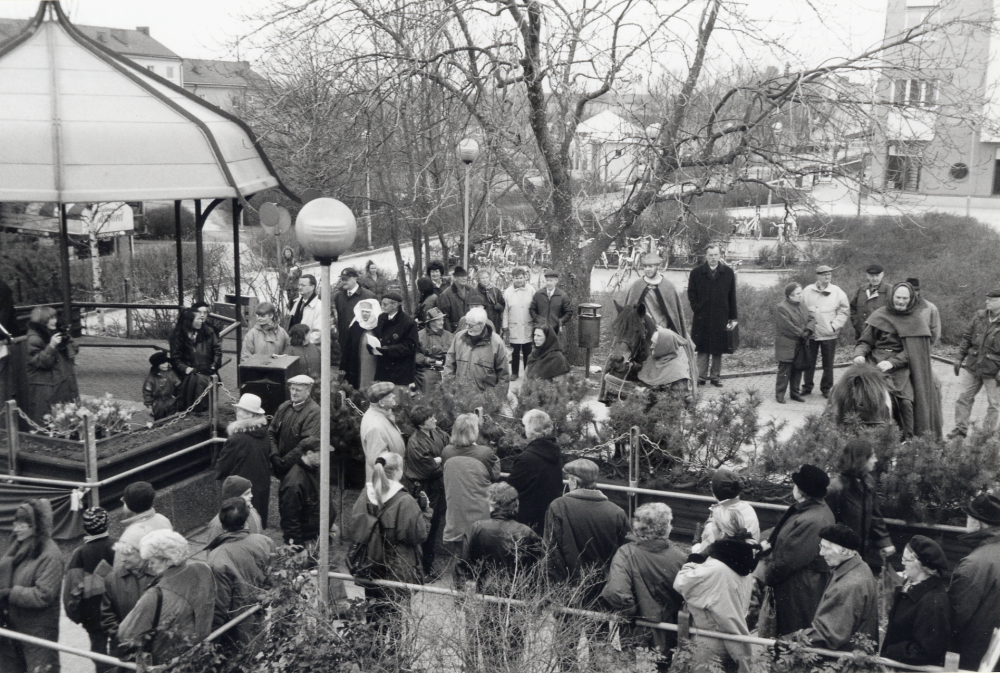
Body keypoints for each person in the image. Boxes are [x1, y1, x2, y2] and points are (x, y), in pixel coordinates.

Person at [348, 452, 431, 631]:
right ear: (398, 471)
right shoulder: (405, 500)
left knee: (373, 617)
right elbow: (418, 535)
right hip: (397, 568)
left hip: (369, 565)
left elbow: (355, 528)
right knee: (395, 623)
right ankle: (394, 657)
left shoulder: (365, 494)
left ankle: (373, 656)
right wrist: (425, 512)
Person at [853, 281, 943, 439]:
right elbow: (865, 342)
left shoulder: (916, 321)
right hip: (875, 363)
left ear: (911, 299)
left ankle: (907, 438)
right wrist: (859, 354)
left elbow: (915, 351)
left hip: (901, 368)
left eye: (904, 298)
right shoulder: (880, 315)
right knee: (853, 391)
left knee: (905, 401)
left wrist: (893, 362)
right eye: (898, 297)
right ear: (892, 296)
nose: (900, 301)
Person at [674, 509, 761, 671]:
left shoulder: (715, 568)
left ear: (721, 532)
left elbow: (681, 583)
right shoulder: (745, 561)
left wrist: (695, 558)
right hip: (731, 639)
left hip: (710, 641)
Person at [117, 530, 216, 666]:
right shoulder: (203, 569)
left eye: (152, 561)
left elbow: (126, 634)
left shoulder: (154, 595)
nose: (149, 566)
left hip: (168, 663)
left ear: (168, 559)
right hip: (200, 654)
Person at [601, 503, 686, 659]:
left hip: (635, 632)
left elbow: (616, 591)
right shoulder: (680, 557)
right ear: (666, 527)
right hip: (668, 633)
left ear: (639, 526)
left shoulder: (626, 553)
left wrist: (630, 615)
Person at [760, 464, 835, 637]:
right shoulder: (816, 511)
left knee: (791, 635)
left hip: (799, 590)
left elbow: (788, 561)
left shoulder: (812, 520)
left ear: (801, 491)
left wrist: (768, 575)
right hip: (803, 586)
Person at [544, 458, 630, 605]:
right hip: (604, 591)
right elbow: (625, 553)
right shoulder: (617, 512)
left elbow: (552, 551)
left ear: (574, 482)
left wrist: (556, 591)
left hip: (570, 590)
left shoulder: (558, 506)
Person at [789, 524, 878, 652]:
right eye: (821, 547)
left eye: (826, 548)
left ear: (844, 551)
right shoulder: (859, 566)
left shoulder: (849, 585)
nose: (821, 553)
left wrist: (791, 640)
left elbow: (828, 635)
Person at [618, 252, 699, 393]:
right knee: (619, 355)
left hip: (665, 331)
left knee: (683, 355)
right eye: (645, 267)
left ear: (658, 267)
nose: (648, 269)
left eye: (651, 266)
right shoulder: (637, 286)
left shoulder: (668, 286)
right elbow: (629, 312)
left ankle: (684, 389)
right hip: (643, 330)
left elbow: (675, 314)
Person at [0, 499, 63, 673]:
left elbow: (43, 594)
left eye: (23, 525)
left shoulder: (51, 555)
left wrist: (10, 593)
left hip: (39, 632)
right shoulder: (19, 546)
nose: (16, 529)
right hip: (16, 626)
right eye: (15, 523)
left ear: (36, 526)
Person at [205, 498, 276, 649]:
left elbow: (219, 606)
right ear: (246, 521)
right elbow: (273, 579)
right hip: (260, 617)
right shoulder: (265, 541)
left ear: (222, 525)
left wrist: (212, 640)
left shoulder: (216, 558)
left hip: (235, 633)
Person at [825, 439, 895, 573]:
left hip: (860, 554)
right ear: (861, 459)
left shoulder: (868, 482)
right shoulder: (836, 488)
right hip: (839, 556)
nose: (876, 460)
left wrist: (884, 542)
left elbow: (875, 516)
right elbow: (826, 524)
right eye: (872, 456)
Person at [948, 492, 1000, 670]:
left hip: (972, 657)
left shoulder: (974, 563)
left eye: (968, 517)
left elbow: (954, 615)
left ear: (977, 523)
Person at [881, 536, 951, 667]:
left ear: (921, 565)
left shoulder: (933, 602)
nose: (902, 563)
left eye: (906, 560)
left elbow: (925, 650)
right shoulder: (914, 585)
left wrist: (890, 650)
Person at [459, 483, 542, 591]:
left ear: (492, 504)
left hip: (484, 591)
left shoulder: (476, 528)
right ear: (515, 504)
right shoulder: (527, 532)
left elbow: (462, 565)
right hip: (517, 595)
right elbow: (538, 568)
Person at [63, 507, 115, 673]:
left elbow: (71, 592)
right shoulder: (119, 546)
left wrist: (76, 615)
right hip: (118, 611)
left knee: (98, 650)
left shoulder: (79, 554)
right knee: (119, 648)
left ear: (84, 527)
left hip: (92, 615)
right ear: (107, 524)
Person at [442, 414, 501, 556]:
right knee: (481, 556)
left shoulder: (447, 452)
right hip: (480, 511)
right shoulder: (484, 453)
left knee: (460, 556)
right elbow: (495, 474)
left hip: (456, 513)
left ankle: (459, 578)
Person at [403, 405, 449, 576]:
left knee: (433, 526)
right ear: (422, 424)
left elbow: (448, 448)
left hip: (436, 488)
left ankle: (427, 567)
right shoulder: (415, 442)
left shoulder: (437, 433)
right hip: (424, 490)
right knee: (426, 529)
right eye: (431, 418)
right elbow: (428, 469)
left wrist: (439, 460)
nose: (435, 420)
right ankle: (423, 571)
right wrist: (442, 461)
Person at [100, 527, 158, 662]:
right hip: (123, 650)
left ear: (142, 553)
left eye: (128, 554)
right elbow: (107, 616)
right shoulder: (112, 579)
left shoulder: (158, 576)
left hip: (153, 650)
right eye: (121, 554)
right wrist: (122, 638)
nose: (122, 559)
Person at [950, 289, 1000, 439]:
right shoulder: (979, 317)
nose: (987, 302)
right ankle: (960, 429)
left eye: (992, 300)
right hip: (973, 366)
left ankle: (985, 435)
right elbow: (967, 337)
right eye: (987, 299)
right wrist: (959, 357)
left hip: (994, 370)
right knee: (964, 398)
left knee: (994, 404)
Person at [216, 394, 272, 528]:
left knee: (238, 525)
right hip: (260, 486)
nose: (238, 413)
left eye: (242, 411)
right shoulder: (264, 434)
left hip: (240, 490)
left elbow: (222, 467)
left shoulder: (236, 439)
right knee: (256, 523)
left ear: (252, 415)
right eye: (238, 410)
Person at [687, 243, 738, 387]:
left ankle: (715, 377)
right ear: (706, 256)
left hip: (720, 316)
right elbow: (691, 293)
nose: (713, 258)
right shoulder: (696, 272)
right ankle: (700, 377)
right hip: (702, 317)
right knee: (702, 347)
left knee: (718, 348)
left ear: (720, 255)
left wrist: (732, 317)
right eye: (710, 255)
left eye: (716, 255)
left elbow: (732, 296)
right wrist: (697, 308)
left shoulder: (728, 272)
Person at [506, 409, 564, 535]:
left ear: (531, 430)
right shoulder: (554, 453)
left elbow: (509, 490)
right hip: (547, 517)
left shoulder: (526, 458)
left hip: (526, 520)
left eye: (526, 426)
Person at [801, 264, 850, 399]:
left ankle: (827, 388)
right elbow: (800, 309)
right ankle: (807, 387)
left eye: (829, 274)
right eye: (824, 274)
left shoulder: (838, 292)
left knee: (828, 364)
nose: (827, 276)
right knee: (809, 362)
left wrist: (834, 326)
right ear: (817, 276)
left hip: (829, 334)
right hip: (811, 334)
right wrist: (805, 327)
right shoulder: (807, 291)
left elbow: (844, 311)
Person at [24, 305, 79, 422]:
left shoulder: (55, 331)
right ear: (42, 321)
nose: (55, 321)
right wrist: (51, 346)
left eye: (55, 317)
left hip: (62, 382)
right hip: (48, 386)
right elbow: (39, 362)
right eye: (50, 318)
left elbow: (75, 349)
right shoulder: (34, 338)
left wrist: (68, 342)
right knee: (51, 419)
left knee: (65, 418)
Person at [691, 468, 760, 555]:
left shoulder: (717, 521)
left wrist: (696, 545)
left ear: (715, 492)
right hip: (747, 562)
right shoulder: (748, 508)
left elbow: (704, 556)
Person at [278, 437, 333, 546]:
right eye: (322, 453)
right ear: (309, 454)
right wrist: (298, 548)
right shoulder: (294, 483)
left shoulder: (314, 471)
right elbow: (290, 519)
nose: (327, 457)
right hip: (307, 541)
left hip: (320, 533)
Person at [444, 307, 511, 395]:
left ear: (481, 324)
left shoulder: (497, 343)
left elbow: (504, 376)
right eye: (466, 324)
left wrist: (496, 401)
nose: (467, 328)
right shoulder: (458, 338)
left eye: (471, 325)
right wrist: (448, 391)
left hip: (484, 400)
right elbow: (449, 366)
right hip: (459, 397)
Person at [268, 374, 321, 478]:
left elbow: (307, 442)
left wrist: (285, 462)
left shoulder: (314, 411)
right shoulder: (284, 407)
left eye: (298, 390)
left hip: (299, 467)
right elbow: (271, 431)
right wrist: (274, 455)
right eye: (292, 389)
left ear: (308, 391)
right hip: (281, 463)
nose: (293, 393)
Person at [168, 307, 221, 411]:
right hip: (189, 377)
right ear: (189, 321)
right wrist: (185, 368)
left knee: (209, 405)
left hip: (208, 372)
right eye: (198, 319)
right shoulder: (177, 336)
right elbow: (175, 358)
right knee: (190, 406)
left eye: (202, 318)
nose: (202, 320)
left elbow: (217, 350)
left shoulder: (208, 332)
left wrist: (214, 365)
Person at [773, 282, 815, 403]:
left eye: (801, 292)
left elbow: (811, 318)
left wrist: (809, 330)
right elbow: (787, 326)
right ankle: (780, 394)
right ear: (789, 296)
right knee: (784, 370)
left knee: (798, 368)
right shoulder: (781, 307)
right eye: (797, 294)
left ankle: (794, 393)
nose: (800, 295)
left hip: (800, 344)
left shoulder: (802, 305)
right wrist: (802, 334)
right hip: (787, 344)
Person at [372, 291, 420, 386]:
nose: (382, 306)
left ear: (395, 305)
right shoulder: (381, 318)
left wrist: (389, 349)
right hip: (383, 367)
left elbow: (411, 346)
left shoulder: (409, 323)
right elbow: (378, 336)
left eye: (385, 304)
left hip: (400, 370)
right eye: (381, 303)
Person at [360, 382, 406, 482]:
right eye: (390, 396)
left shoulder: (382, 414)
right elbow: (379, 462)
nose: (394, 396)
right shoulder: (375, 426)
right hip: (384, 483)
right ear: (381, 403)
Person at [205, 475, 264, 542]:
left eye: (250, 492)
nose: (251, 495)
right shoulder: (217, 525)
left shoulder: (252, 511)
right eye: (246, 494)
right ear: (235, 499)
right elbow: (214, 550)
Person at [340, 298, 382, 391]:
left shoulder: (380, 326)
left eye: (367, 312)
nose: (364, 314)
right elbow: (347, 347)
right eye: (362, 311)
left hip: (374, 361)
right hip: (357, 363)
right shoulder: (356, 326)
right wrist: (343, 367)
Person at [503, 267, 536, 380]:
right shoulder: (508, 292)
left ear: (525, 277)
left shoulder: (531, 290)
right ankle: (514, 372)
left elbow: (535, 307)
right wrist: (505, 327)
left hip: (527, 324)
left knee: (528, 350)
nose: (519, 280)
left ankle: (528, 372)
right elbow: (505, 311)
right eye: (516, 278)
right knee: (514, 351)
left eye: (521, 278)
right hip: (514, 325)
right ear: (512, 278)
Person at [334, 267, 377, 353]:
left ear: (355, 279)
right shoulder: (339, 296)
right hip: (344, 341)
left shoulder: (368, 296)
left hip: (361, 341)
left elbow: (375, 320)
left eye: (346, 279)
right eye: (342, 279)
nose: (343, 282)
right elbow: (339, 317)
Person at [415, 307, 453, 393]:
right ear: (431, 322)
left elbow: (455, 353)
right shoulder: (419, 336)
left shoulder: (450, 336)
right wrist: (425, 360)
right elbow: (414, 354)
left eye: (442, 319)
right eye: (438, 320)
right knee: (427, 381)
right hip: (427, 369)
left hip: (447, 368)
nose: (442, 322)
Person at [849, 264, 890, 340]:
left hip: (882, 338)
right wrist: (856, 323)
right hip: (862, 335)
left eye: (877, 275)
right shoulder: (862, 289)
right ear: (867, 276)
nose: (874, 278)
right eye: (872, 276)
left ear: (882, 275)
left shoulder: (890, 290)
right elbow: (853, 308)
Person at [529, 269, 573, 337]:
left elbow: (568, 312)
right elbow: (532, 309)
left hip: (555, 329)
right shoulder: (538, 294)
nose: (548, 283)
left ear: (556, 281)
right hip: (541, 329)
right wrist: (538, 320)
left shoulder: (562, 296)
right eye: (547, 280)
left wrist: (560, 321)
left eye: (551, 280)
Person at [438, 266, 482, 332]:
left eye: (465, 276)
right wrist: (450, 335)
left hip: (471, 329)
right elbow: (445, 318)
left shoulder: (471, 291)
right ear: (455, 277)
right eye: (461, 276)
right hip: (455, 330)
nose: (464, 278)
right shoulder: (447, 294)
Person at [142, 350, 180, 420]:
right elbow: (147, 392)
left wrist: (175, 397)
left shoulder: (171, 373)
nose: (166, 365)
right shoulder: (151, 378)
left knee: (171, 419)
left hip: (171, 401)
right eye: (162, 364)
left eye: (167, 362)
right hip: (158, 403)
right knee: (159, 420)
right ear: (157, 365)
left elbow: (178, 385)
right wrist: (149, 406)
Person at [288, 274, 323, 344]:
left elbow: (319, 333)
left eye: (303, 285)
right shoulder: (297, 303)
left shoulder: (320, 306)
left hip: (309, 347)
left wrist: (302, 342)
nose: (300, 288)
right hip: (294, 345)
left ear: (312, 287)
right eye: (299, 285)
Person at [908, 278, 942, 346]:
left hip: (921, 347)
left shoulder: (931, 308)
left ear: (917, 292)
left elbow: (935, 332)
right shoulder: (899, 307)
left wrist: (925, 347)